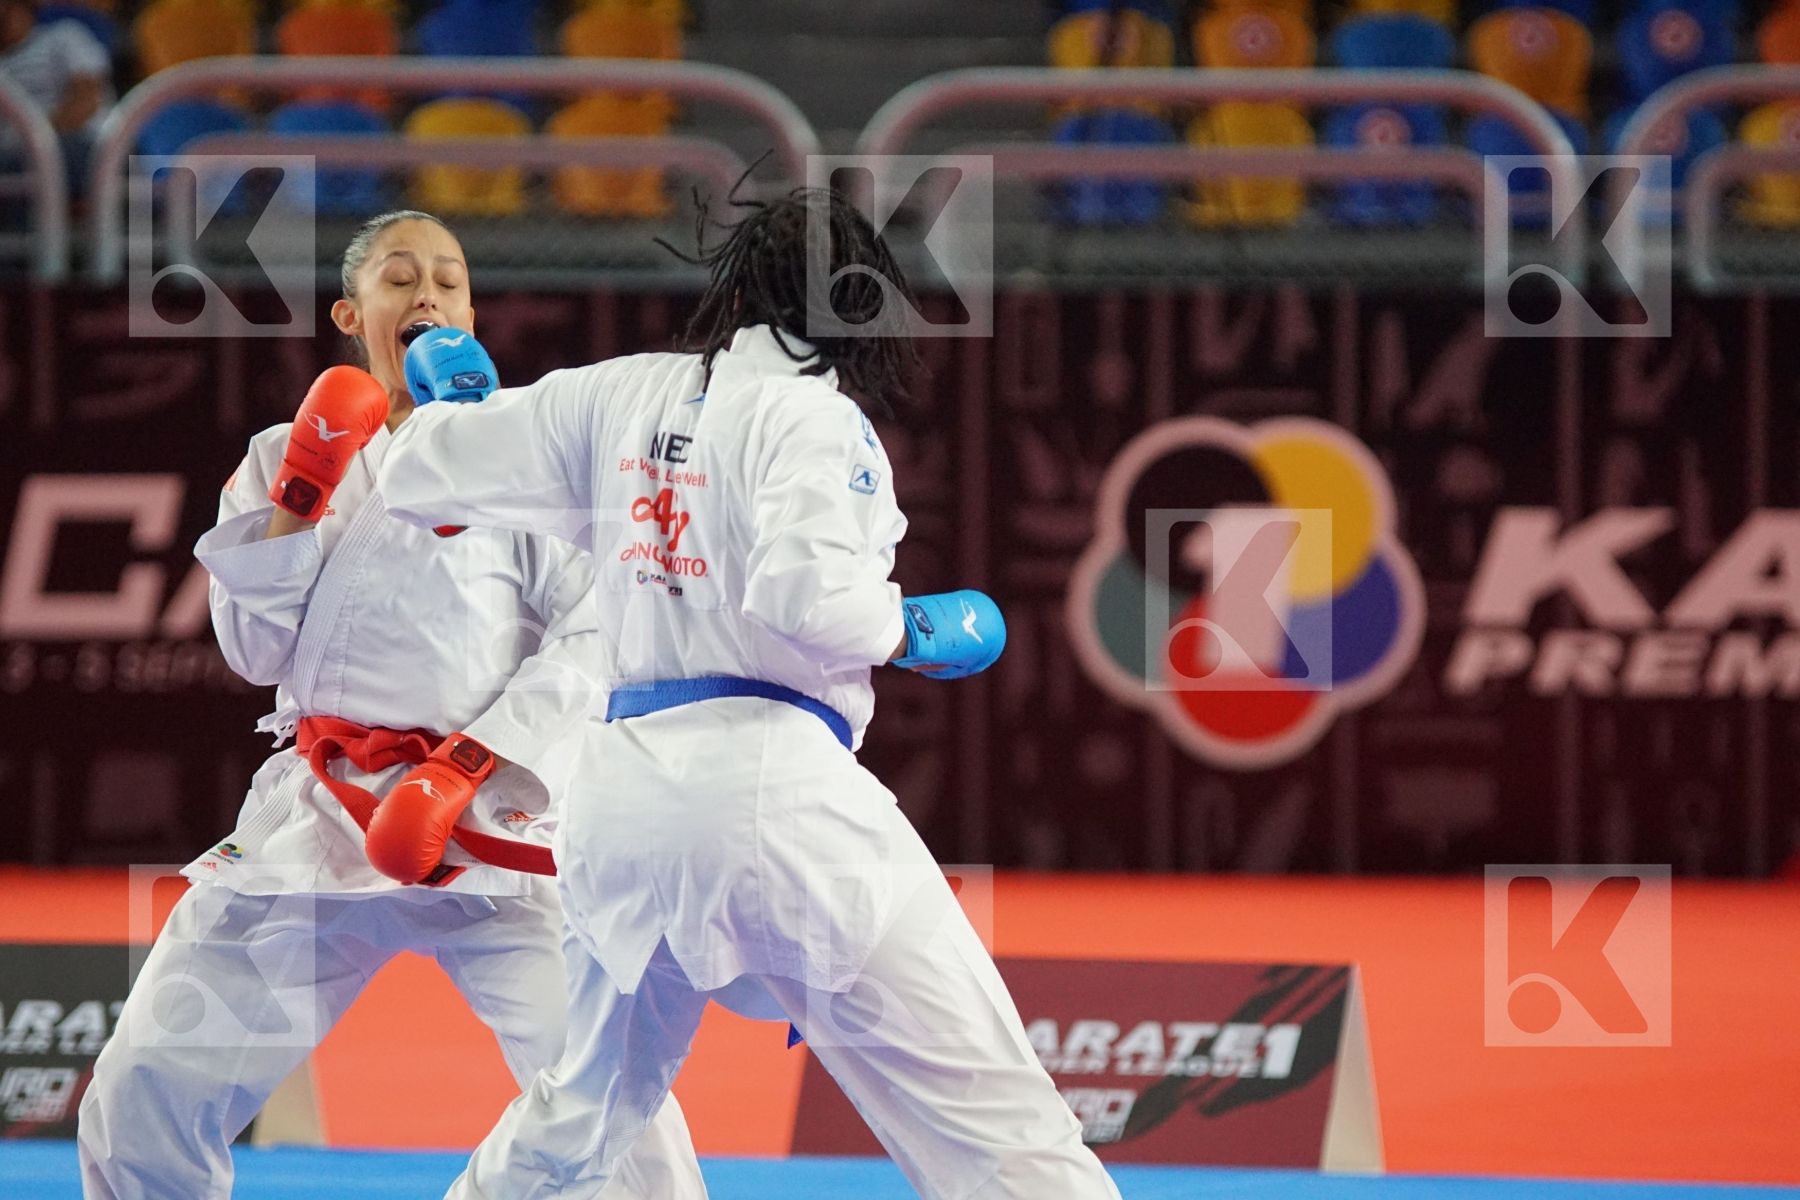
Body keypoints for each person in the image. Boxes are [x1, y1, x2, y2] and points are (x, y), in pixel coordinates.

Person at [375, 189, 1123, 1198]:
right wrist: (914, 627)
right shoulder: (815, 417)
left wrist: (457, 409)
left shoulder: (614, 395)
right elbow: (806, 595)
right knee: (993, 1118)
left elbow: (416, 477)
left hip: (624, 808)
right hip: (779, 799)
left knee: (576, 1121)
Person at [75, 210, 707, 1200]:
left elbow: (597, 634)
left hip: (489, 821)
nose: (428, 295)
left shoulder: (526, 456)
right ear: (349, 313)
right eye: (401, 278)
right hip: (321, 814)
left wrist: (471, 767)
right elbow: (253, 653)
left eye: (450, 281)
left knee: (605, 1097)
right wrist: (299, 495)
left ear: (471, 310)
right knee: (149, 1082)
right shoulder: (280, 451)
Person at [0, 0, 111, 199]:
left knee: (22, 164)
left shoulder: (65, 36)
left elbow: (86, 103)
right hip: (10, 150)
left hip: (76, 142)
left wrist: (32, 137)